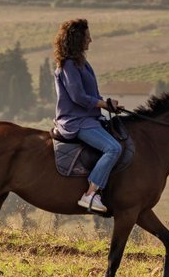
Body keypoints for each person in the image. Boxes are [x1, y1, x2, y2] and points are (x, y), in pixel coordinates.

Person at [52, 19, 122, 211]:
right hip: (76, 121)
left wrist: (107, 105)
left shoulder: (82, 63)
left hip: (90, 118)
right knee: (113, 149)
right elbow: (78, 96)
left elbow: (91, 94)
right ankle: (90, 194)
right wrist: (102, 104)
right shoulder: (68, 65)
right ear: (77, 39)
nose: (90, 40)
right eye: (87, 36)